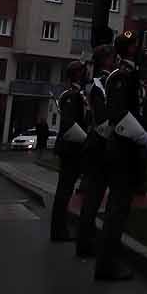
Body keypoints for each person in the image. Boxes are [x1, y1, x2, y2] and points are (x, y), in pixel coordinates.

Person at [95, 30, 147, 283]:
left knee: (120, 208)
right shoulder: (120, 76)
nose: (138, 48)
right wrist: (141, 136)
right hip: (122, 149)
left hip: (124, 149)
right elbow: (118, 113)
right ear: (128, 49)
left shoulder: (129, 74)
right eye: (135, 45)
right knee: (116, 209)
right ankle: (106, 265)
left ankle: (109, 262)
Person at [76, 44, 115, 259]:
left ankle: (85, 240)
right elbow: (101, 116)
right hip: (100, 143)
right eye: (111, 57)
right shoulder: (101, 82)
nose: (114, 59)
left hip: (95, 142)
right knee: (94, 197)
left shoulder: (96, 81)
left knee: (93, 196)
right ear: (105, 60)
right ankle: (86, 243)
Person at [51, 61, 89, 242]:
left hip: (73, 148)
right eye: (83, 71)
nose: (86, 74)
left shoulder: (76, 94)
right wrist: (86, 140)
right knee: (64, 191)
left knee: (65, 190)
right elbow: (69, 124)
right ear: (77, 74)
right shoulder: (70, 95)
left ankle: (60, 229)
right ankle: (59, 231)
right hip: (70, 149)